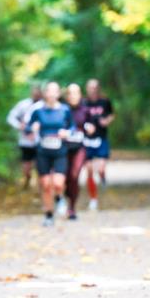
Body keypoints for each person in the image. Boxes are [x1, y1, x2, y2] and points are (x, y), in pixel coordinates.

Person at [26, 81, 73, 227]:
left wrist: (67, 132)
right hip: (43, 151)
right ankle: (48, 215)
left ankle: (59, 197)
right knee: (46, 185)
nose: (52, 94)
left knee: (58, 183)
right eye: (49, 91)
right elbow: (27, 128)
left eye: (55, 91)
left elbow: (72, 127)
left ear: (58, 94)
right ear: (45, 94)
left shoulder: (65, 110)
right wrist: (32, 128)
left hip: (60, 151)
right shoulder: (38, 111)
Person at [82, 78, 115, 211]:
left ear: (98, 88)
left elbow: (112, 114)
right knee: (90, 170)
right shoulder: (83, 103)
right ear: (86, 89)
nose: (93, 89)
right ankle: (93, 199)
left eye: (95, 87)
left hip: (101, 138)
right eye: (90, 87)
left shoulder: (105, 101)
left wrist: (107, 121)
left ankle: (102, 176)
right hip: (87, 140)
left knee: (100, 168)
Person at [63, 83, 91, 220]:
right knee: (64, 178)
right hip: (62, 147)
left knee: (74, 175)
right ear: (66, 96)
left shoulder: (85, 109)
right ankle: (63, 196)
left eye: (76, 93)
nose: (73, 96)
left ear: (80, 95)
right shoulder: (61, 109)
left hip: (79, 147)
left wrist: (90, 128)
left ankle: (71, 208)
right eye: (70, 93)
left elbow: (91, 124)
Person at [6, 84, 42, 188]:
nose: (36, 93)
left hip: (40, 141)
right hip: (25, 141)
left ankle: (40, 188)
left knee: (40, 166)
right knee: (26, 167)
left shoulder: (44, 106)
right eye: (34, 91)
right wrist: (19, 126)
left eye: (38, 91)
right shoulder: (23, 105)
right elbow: (11, 118)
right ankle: (27, 180)